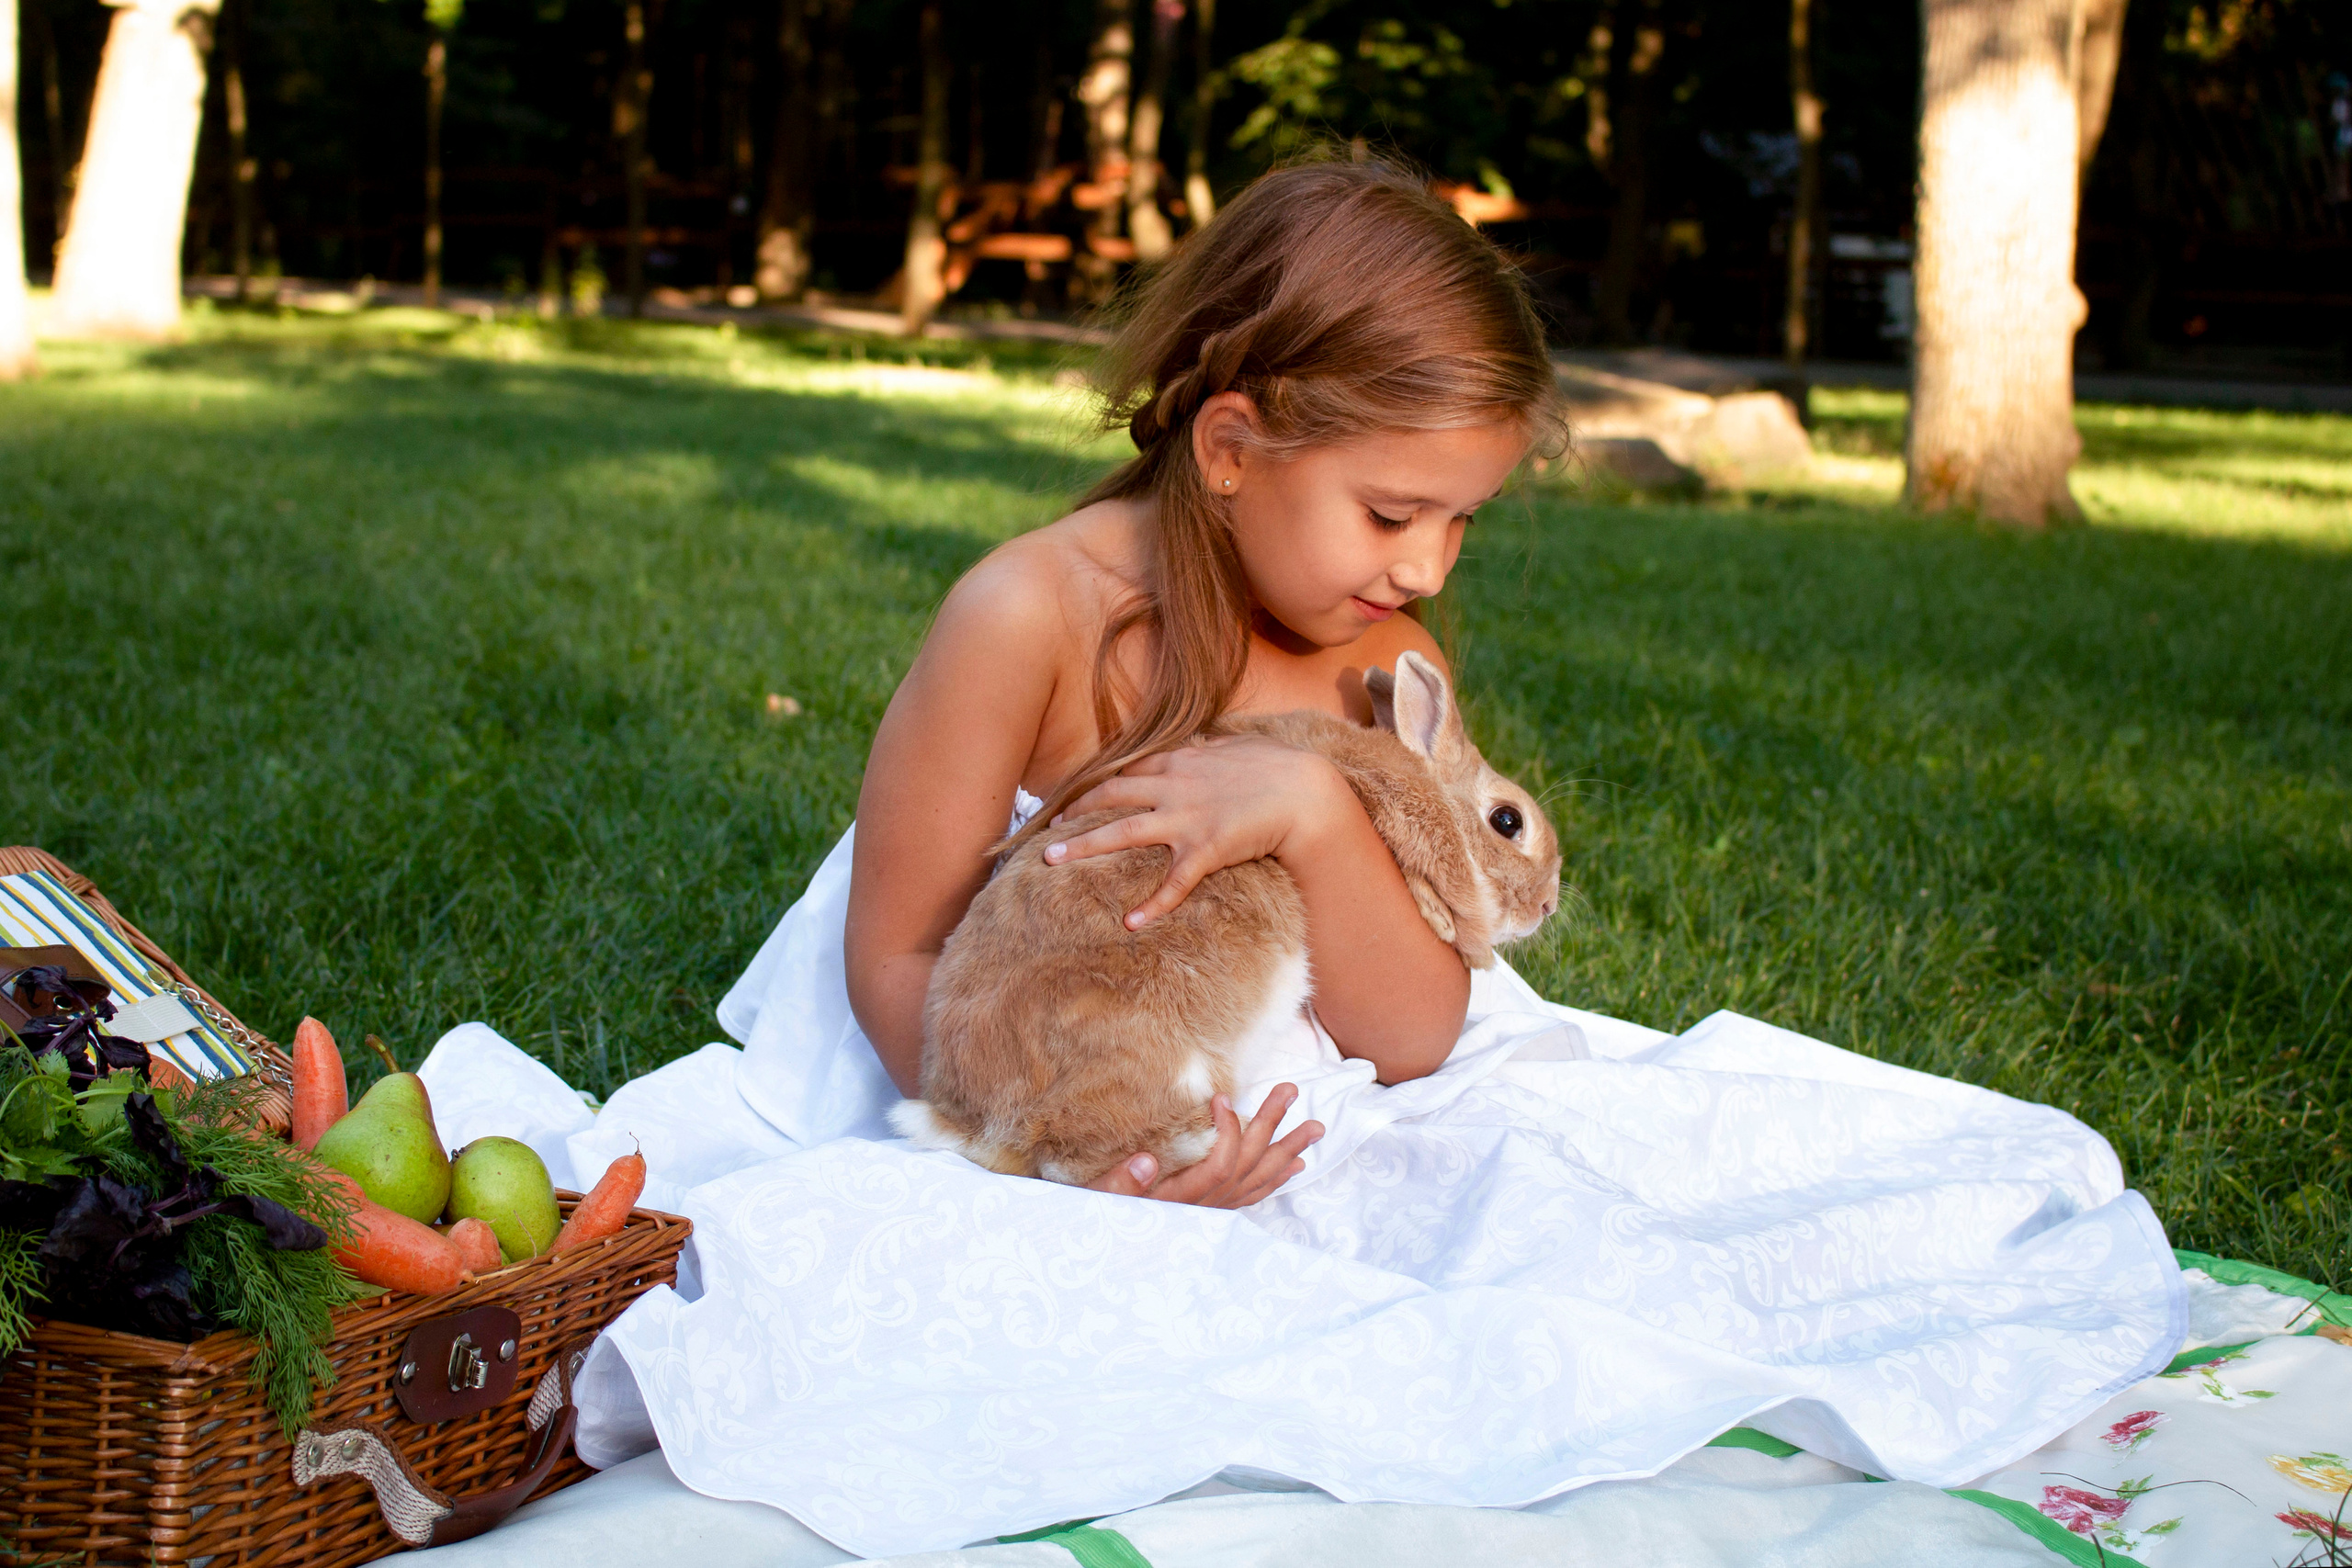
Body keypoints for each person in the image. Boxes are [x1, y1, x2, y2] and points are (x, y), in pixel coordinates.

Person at [842, 156, 1564, 1209]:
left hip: (1301, 1136)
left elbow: (1412, 1036)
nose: (1428, 569)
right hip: (1027, 1114)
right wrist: (1090, 1161)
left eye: (1464, 517)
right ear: (1231, 447)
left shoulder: (1377, 664)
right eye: (1390, 514)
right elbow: (899, 957)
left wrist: (1315, 814)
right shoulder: (1028, 616)